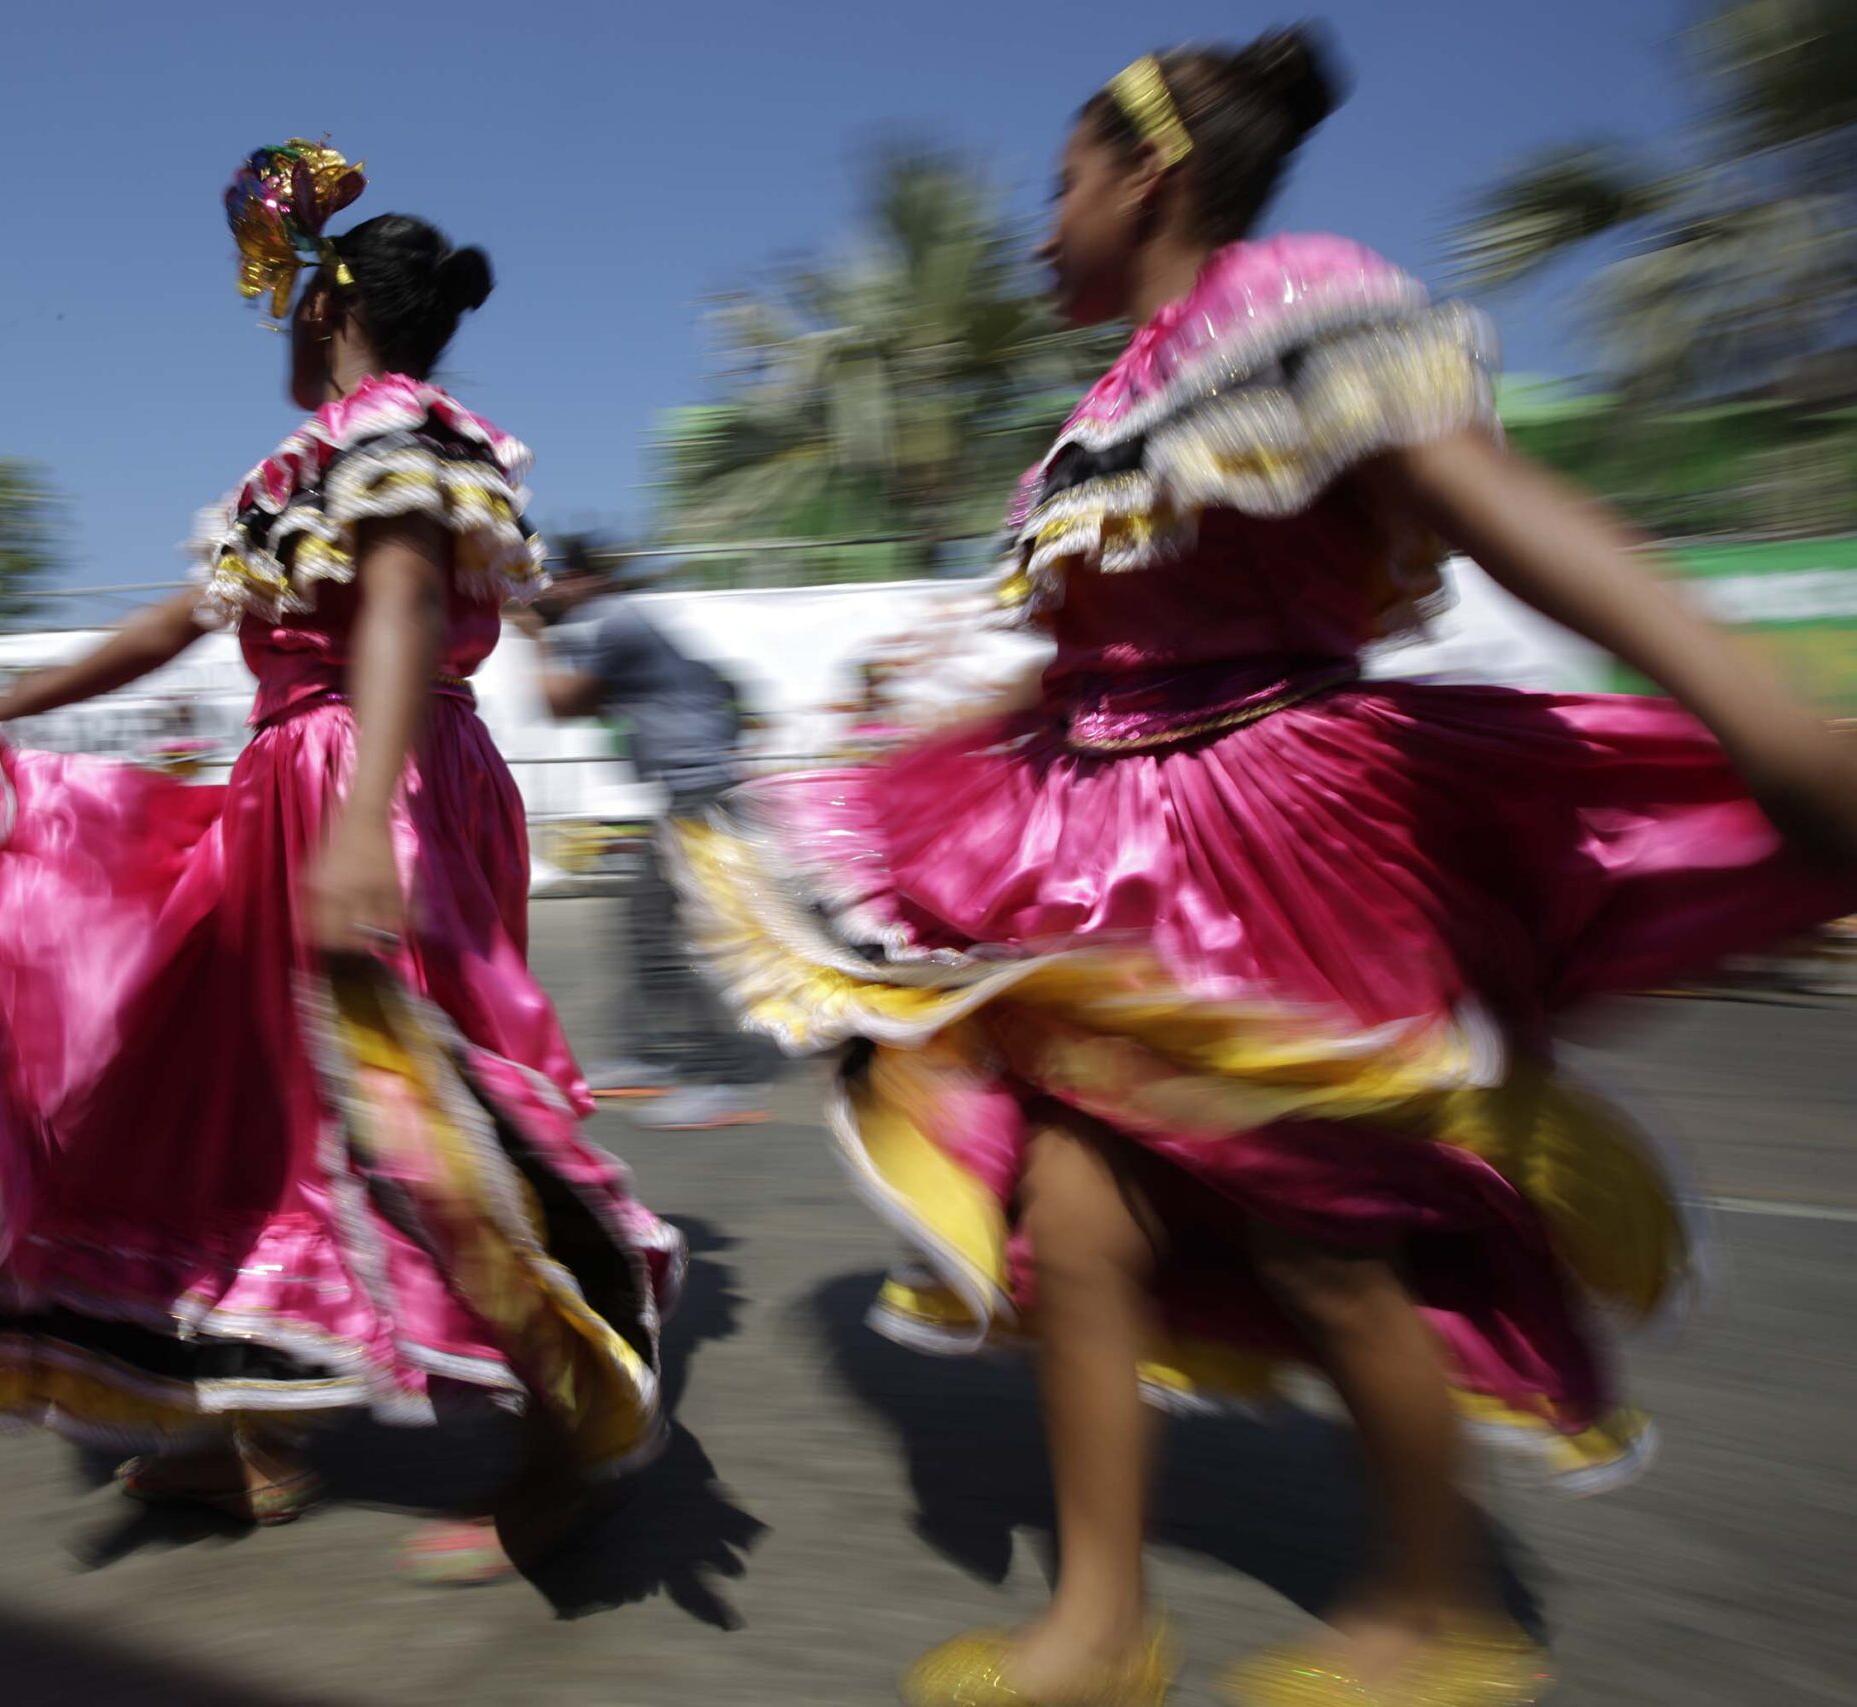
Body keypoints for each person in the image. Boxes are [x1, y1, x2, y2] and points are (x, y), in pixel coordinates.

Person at [669, 28, 1856, 1707]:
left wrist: (1744, 697)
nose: (1038, 224)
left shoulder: (1299, 299)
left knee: (1323, 1239)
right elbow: (1108, 654)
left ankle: (1438, 1608)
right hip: (1104, 852)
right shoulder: (1105, 405)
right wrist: (938, 722)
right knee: (1074, 1225)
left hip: (1279, 847)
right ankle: (1099, 1626)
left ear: (1147, 178)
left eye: (1060, 185)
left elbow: (1493, 500)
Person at [0, 143, 680, 1584]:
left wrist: (358, 822)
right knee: (220, 1097)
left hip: (365, 780)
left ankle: (579, 1422)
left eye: (285, 304)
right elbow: (175, 624)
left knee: (417, 1111)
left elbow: (396, 603)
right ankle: (242, 1425)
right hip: (300, 781)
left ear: (326, 308)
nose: (272, 326)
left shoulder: (400, 431)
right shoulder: (311, 465)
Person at [514, 537, 775, 1129]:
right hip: (691, 796)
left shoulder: (614, 622)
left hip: (701, 798)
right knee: (644, 928)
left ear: (584, 580)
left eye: (549, 579)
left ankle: (727, 1078)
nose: (540, 592)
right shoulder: (621, 621)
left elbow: (562, 704)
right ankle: (646, 1056)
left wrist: (534, 638)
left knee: (678, 938)